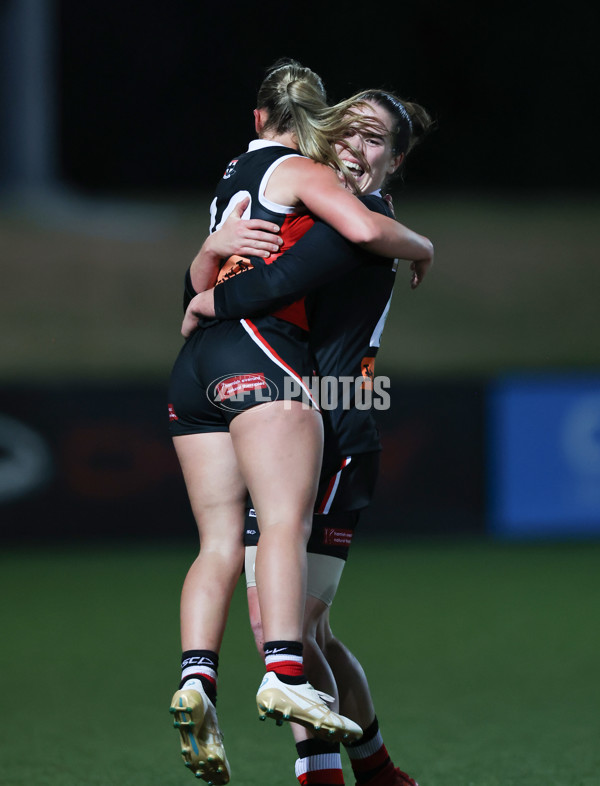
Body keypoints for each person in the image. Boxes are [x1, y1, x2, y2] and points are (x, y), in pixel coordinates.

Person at [168, 59, 434, 785]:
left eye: (375, 138)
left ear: (395, 159)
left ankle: (354, 770)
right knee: (299, 628)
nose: (354, 145)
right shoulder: (315, 204)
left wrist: (206, 303)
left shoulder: (355, 225)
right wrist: (207, 256)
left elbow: (275, 282)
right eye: (345, 128)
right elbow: (232, 274)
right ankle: (366, 769)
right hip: (279, 410)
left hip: (339, 422)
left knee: (280, 625)